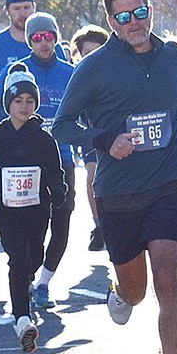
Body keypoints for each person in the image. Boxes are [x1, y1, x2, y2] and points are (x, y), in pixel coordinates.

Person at [53, 0, 177, 354]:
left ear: (150, 10)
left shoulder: (173, 55)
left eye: (140, 12)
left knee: (168, 279)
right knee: (137, 290)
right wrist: (106, 140)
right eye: (123, 17)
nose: (134, 23)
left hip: (168, 184)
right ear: (111, 21)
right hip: (118, 193)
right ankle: (119, 293)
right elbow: (63, 125)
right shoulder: (94, 67)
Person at [0, 66, 66, 352]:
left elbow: (55, 172)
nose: (24, 106)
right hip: (7, 213)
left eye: (30, 101)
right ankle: (22, 319)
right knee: (18, 260)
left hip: (37, 211)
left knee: (35, 258)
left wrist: (58, 191)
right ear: (8, 104)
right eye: (18, 101)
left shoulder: (44, 139)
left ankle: (25, 288)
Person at [0, 12, 77, 309]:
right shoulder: (16, 70)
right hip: (20, 165)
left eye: (49, 36)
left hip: (61, 159)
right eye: (36, 37)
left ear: (56, 37)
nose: (43, 42)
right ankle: (23, 279)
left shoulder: (70, 72)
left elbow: (88, 112)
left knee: (61, 223)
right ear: (29, 40)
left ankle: (44, 283)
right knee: (25, 230)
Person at [70, 24, 110, 251]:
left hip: (119, 135)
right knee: (93, 175)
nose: (93, 58)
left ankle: (111, 222)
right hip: (91, 136)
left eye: (98, 52)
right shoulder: (77, 75)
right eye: (87, 54)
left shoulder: (116, 71)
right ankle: (99, 226)